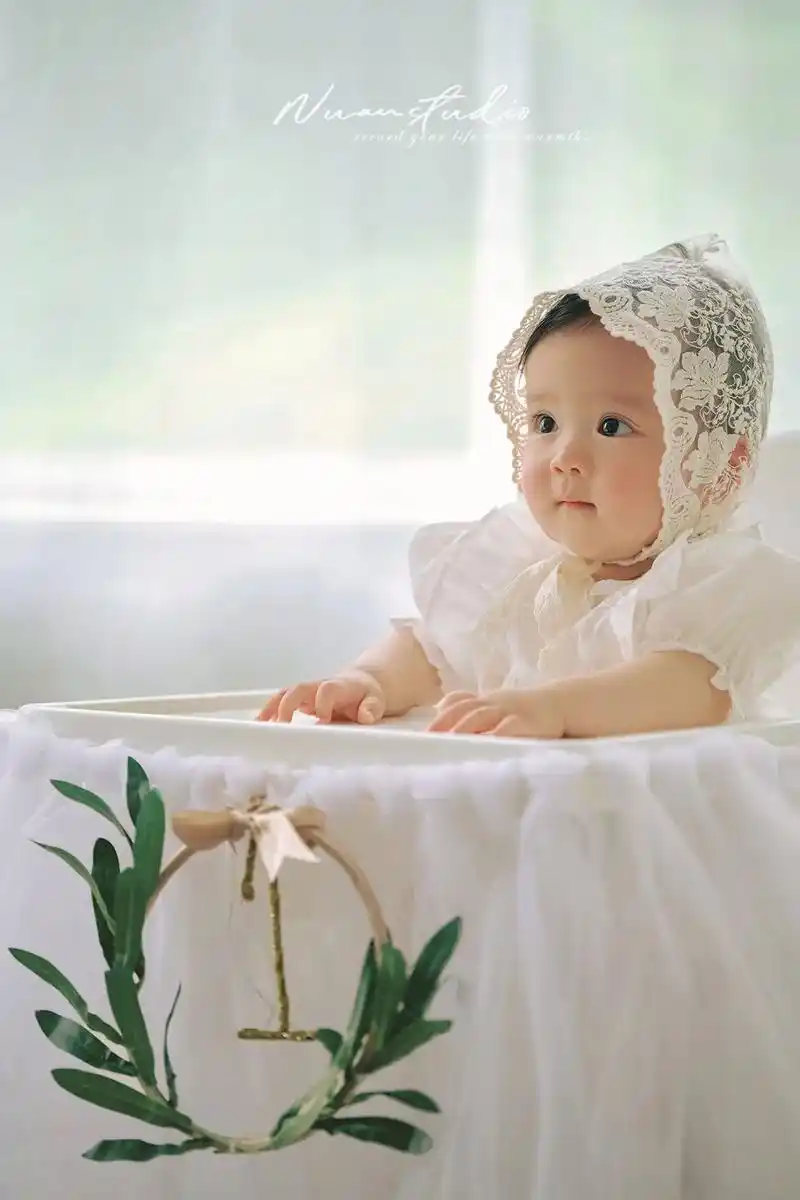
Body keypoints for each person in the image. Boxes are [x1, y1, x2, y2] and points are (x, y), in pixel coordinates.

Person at [258, 234, 800, 738]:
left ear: (718, 465)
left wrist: (556, 708)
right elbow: (432, 651)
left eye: (611, 426)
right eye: (545, 422)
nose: (565, 458)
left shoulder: (724, 580)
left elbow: (687, 689)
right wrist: (368, 680)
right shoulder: (518, 566)